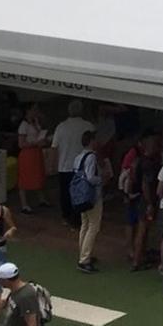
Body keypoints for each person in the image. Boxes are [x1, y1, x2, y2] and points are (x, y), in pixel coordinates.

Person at [49, 102, 91, 229]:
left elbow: (54, 147)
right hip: (83, 166)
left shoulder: (61, 127)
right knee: (81, 193)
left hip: (65, 166)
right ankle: (78, 218)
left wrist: (52, 165)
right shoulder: (88, 126)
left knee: (66, 193)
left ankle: (67, 217)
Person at [70, 130, 105, 273]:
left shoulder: (78, 157)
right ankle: (84, 259)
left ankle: (84, 254)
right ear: (91, 141)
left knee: (85, 224)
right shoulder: (91, 157)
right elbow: (90, 177)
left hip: (80, 195)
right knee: (93, 226)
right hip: (92, 196)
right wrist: (102, 179)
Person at [126, 133, 161, 271]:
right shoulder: (148, 164)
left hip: (139, 198)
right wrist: (150, 203)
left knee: (144, 230)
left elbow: (132, 179)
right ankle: (136, 260)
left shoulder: (138, 161)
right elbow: (145, 184)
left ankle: (140, 257)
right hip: (145, 200)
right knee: (142, 229)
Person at [14, 105, 50, 214]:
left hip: (36, 153)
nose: (36, 112)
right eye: (34, 110)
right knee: (25, 177)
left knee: (38, 174)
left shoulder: (36, 122)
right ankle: (24, 204)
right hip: (27, 154)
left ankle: (41, 199)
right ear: (28, 111)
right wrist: (35, 143)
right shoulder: (23, 125)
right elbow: (21, 144)